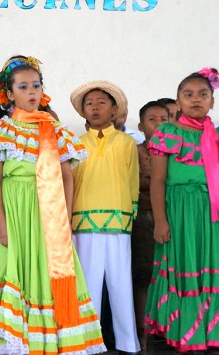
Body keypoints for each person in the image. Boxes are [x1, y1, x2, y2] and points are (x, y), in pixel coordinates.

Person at [0, 56, 104, 355]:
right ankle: (17, 341)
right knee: (14, 270)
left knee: (49, 273)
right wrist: (3, 224)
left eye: (36, 85)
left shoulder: (55, 130)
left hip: (50, 214)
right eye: (23, 86)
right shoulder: (1, 131)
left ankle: (50, 340)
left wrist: (66, 218)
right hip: (16, 212)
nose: (31, 91)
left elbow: (67, 178)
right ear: (9, 94)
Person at [145, 67, 219, 352]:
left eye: (203, 94)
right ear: (178, 101)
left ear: (212, 101)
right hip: (179, 211)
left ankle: (209, 333)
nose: (196, 99)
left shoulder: (215, 136)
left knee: (208, 267)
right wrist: (160, 220)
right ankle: (184, 331)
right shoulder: (168, 133)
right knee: (184, 265)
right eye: (188, 94)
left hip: (210, 212)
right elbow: (159, 180)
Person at [70, 80, 140, 354]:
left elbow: (133, 181)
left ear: (114, 109)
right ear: (83, 111)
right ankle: (88, 343)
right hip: (83, 221)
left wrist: (130, 214)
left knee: (121, 284)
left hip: (119, 221)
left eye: (102, 102)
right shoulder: (75, 143)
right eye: (90, 103)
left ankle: (128, 342)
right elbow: (71, 182)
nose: (95, 107)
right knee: (87, 287)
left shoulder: (126, 143)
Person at [131, 100, 169, 349]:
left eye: (164, 120)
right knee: (144, 276)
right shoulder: (134, 150)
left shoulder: (179, 151)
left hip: (174, 218)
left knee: (172, 276)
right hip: (144, 218)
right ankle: (143, 333)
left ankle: (170, 330)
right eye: (152, 120)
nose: (157, 125)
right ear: (141, 125)